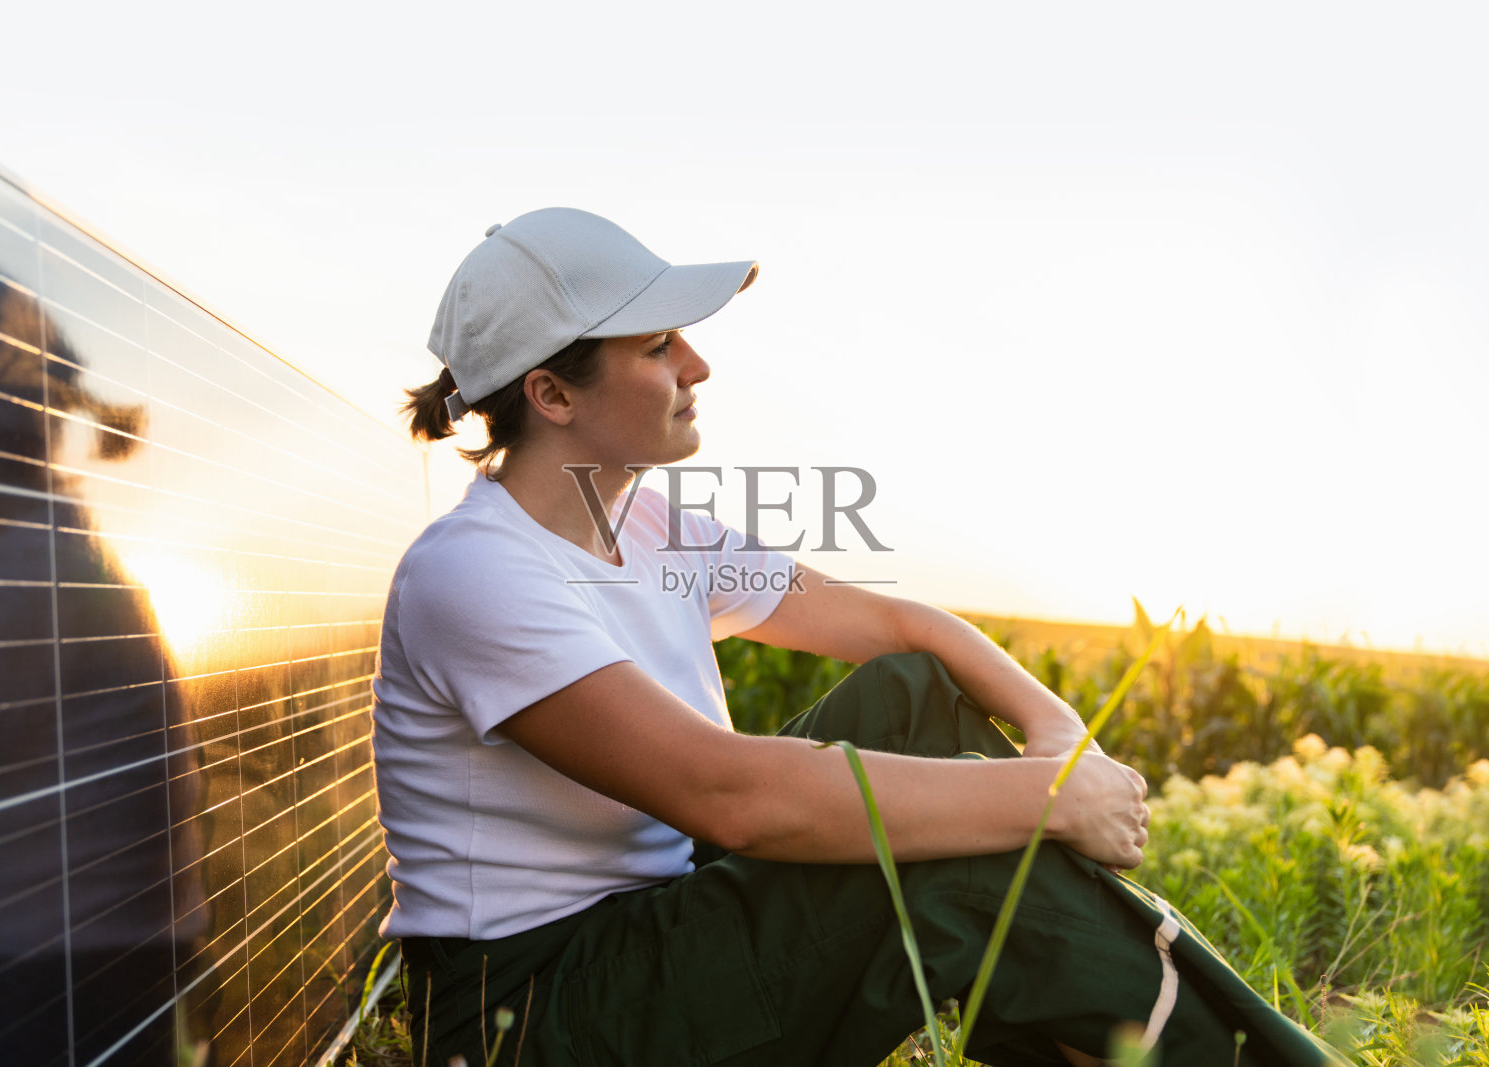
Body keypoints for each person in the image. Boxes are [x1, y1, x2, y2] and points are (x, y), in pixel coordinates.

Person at [370, 208, 1343, 1066]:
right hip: (534, 1012)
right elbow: (730, 793)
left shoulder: (651, 526)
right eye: (659, 344)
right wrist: (1044, 799)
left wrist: (1062, 743)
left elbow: (903, 626)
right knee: (957, 854)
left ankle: (1084, 1029)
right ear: (551, 394)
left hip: (649, 923)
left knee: (911, 691)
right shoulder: (476, 572)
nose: (697, 364)